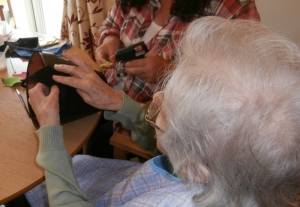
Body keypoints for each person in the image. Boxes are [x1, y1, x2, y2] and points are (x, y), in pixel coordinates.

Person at [24, 16, 300, 206]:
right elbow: (170, 142)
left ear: (192, 167)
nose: (157, 95)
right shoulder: (227, 169)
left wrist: (50, 130)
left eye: (169, 102)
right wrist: (116, 102)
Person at [87, 0, 261, 157]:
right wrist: (110, 38)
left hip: (155, 127)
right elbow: (112, 23)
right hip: (108, 96)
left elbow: (237, 85)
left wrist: (170, 71)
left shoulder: (233, 7)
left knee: (95, 146)